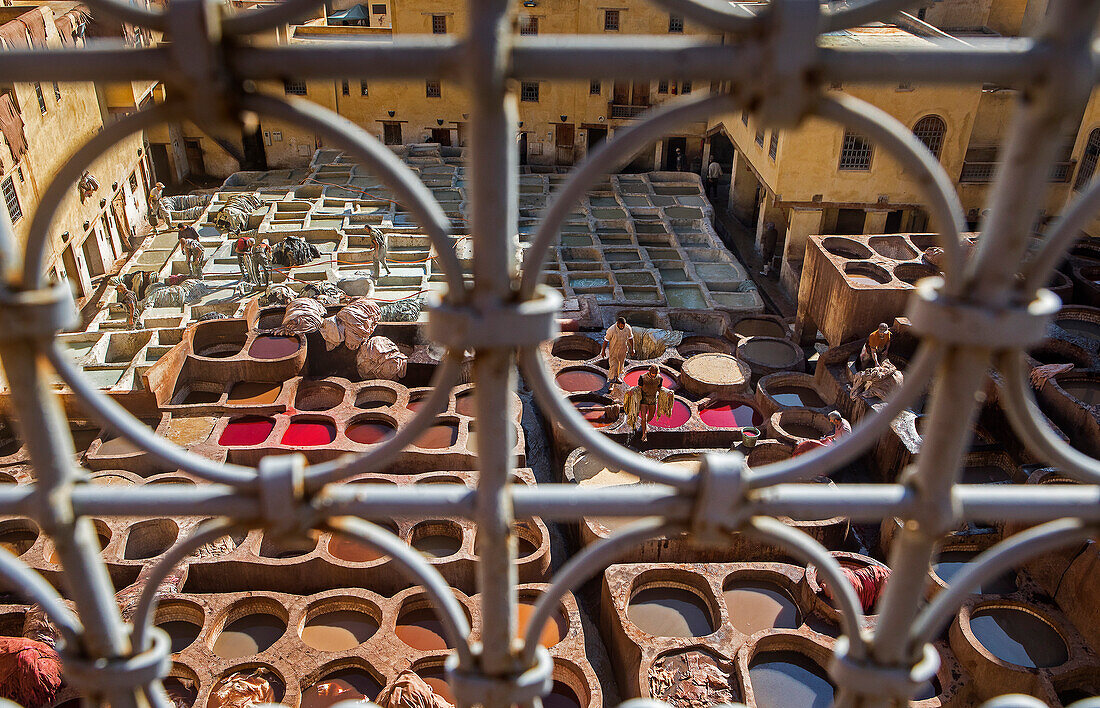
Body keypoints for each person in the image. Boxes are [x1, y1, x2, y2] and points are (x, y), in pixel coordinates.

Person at [636, 365, 664, 443]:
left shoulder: (660, 379)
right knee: (644, 417)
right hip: (644, 399)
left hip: (653, 399)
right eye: (652, 373)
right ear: (649, 371)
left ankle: (644, 424)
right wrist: (632, 392)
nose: (653, 375)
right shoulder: (642, 377)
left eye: (654, 374)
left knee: (651, 415)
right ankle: (644, 434)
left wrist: (667, 393)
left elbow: (659, 389)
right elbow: (639, 388)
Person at [601, 317, 633, 384]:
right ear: (617, 323)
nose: (622, 327)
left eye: (623, 326)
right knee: (613, 366)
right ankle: (611, 381)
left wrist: (632, 349)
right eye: (621, 326)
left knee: (620, 365)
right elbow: (606, 341)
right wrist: (603, 351)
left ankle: (617, 377)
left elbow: (630, 338)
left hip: (623, 350)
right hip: (614, 351)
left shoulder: (628, 328)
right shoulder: (611, 329)